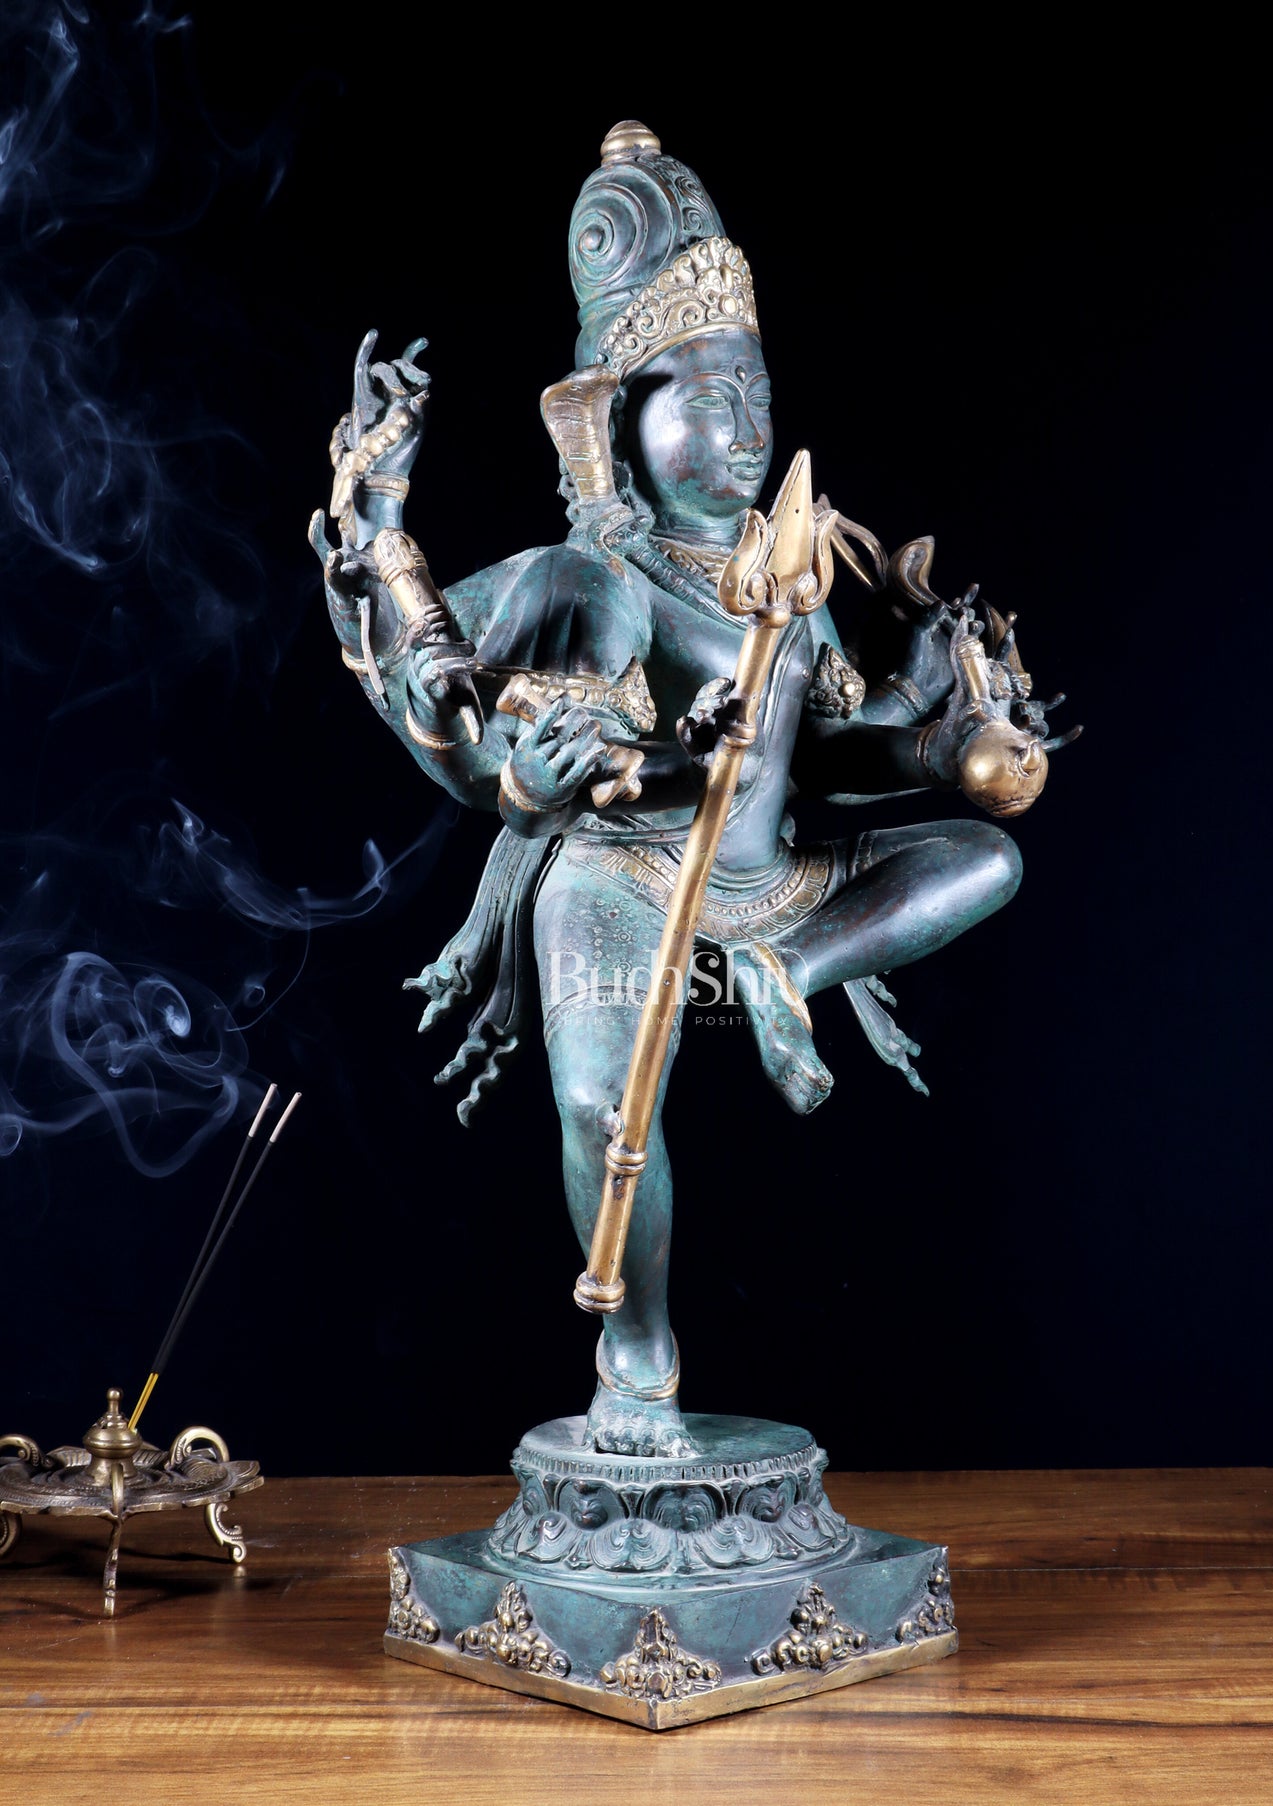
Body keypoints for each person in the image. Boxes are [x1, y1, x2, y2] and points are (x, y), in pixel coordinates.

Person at [309, 123, 1070, 1458]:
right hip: (628, 868)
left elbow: (818, 760)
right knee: (603, 1107)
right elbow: (448, 698)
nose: (748, 426)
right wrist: (505, 756)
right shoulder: (591, 577)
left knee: (984, 859)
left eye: (757, 392)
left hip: (770, 884)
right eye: (711, 396)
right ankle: (637, 1347)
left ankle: (790, 975)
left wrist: (937, 752)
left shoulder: (793, 578)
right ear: (624, 415)